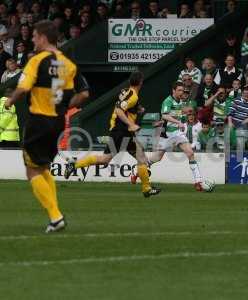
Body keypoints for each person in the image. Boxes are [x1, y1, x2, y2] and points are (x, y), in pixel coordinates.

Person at [4, 20, 83, 233]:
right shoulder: (69, 64)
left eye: (34, 36)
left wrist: (10, 100)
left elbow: (23, 87)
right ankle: (55, 215)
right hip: (58, 121)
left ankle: (56, 217)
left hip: (38, 119)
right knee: (44, 167)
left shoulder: (37, 60)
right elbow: (74, 95)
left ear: (43, 37)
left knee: (32, 171)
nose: (32, 39)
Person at [64, 71, 160, 198]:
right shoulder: (133, 96)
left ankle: (74, 165)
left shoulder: (126, 91)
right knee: (140, 158)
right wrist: (131, 124)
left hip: (119, 130)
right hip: (123, 131)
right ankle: (146, 188)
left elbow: (123, 105)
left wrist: (138, 108)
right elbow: (119, 110)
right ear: (141, 82)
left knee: (107, 160)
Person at [144, 81, 214, 192]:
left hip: (177, 133)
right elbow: (165, 115)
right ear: (173, 91)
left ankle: (198, 182)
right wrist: (178, 122)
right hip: (167, 134)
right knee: (157, 158)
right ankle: (138, 171)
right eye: (179, 90)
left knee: (190, 153)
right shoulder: (167, 101)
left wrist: (185, 111)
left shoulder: (180, 101)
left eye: (182, 90)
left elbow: (177, 111)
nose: (182, 92)